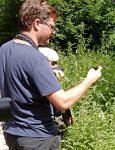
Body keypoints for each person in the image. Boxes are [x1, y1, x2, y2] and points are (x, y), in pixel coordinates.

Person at [0, 0, 102, 150]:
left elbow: (17, 80)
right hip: (38, 139)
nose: (54, 31)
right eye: (52, 27)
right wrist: (89, 80)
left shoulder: (4, 49)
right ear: (36, 23)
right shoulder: (36, 58)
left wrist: (46, 74)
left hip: (12, 134)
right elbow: (63, 102)